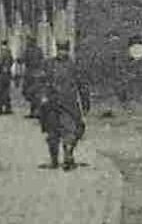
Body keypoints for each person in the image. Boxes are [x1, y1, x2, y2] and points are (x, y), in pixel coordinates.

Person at [37, 41, 90, 170]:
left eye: (65, 50)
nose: (62, 53)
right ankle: (54, 160)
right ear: (57, 50)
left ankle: (68, 156)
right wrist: (43, 96)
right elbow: (42, 82)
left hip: (69, 104)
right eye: (60, 50)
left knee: (71, 131)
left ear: (68, 51)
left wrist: (85, 103)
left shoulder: (73, 66)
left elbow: (82, 85)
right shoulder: (49, 64)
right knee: (52, 133)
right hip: (52, 104)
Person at [20, 37, 46, 118]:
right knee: (36, 93)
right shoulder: (39, 50)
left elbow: (22, 60)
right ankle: (36, 111)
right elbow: (42, 60)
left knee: (29, 92)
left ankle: (35, 111)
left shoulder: (28, 50)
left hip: (29, 74)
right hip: (37, 74)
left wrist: (18, 59)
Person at [0, 41, 15, 115]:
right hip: (7, 75)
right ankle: (7, 108)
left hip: (2, 75)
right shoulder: (9, 53)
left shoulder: (3, 53)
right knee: (6, 92)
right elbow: (12, 61)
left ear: (2, 45)